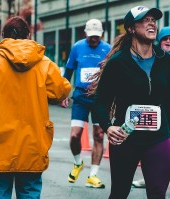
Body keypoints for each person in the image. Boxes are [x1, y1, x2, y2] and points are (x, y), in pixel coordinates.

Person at [88, 5, 170, 199]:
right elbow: (100, 101)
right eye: (145, 20)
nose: (152, 23)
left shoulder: (165, 60)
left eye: (153, 19)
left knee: (157, 193)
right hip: (126, 138)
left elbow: (168, 98)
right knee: (119, 193)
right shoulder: (118, 63)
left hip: (158, 137)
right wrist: (108, 127)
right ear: (131, 28)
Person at [0, 16, 71, 198]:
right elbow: (61, 90)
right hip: (32, 147)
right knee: (29, 192)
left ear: (3, 36)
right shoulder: (45, 64)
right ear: (29, 36)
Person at [132, 26, 170, 192]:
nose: (168, 41)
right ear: (160, 40)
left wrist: (165, 77)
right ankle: (148, 176)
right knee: (149, 141)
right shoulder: (154, 54)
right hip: (154, 107)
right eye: (165, 38)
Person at [60, 18, 111, 188]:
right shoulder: (77, 47)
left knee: (99, 135)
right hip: (81, 96)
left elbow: (114, 75)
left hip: (100, 98)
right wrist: (62, 93)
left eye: (97, 36)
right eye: (91, 36)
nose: (94, 39)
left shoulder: (108, 49)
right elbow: (68, 72)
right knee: (75, 135)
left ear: (101, 34)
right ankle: (78, 163)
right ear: (85, 33)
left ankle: (93, 175)